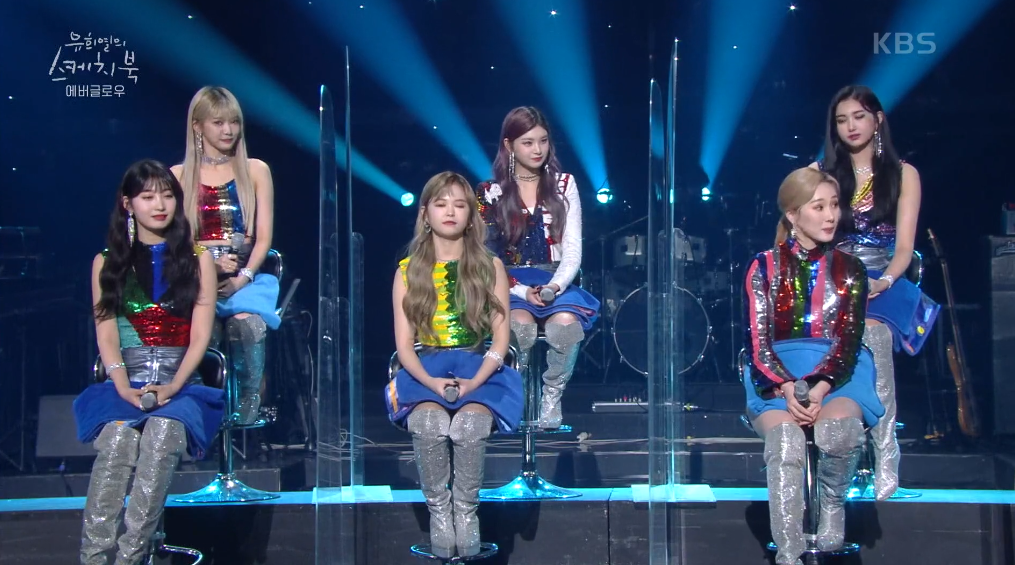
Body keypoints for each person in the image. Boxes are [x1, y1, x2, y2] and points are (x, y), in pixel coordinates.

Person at [74, 159, 224, 565]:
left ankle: (132, 557)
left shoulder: (198, 259)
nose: (159, 205)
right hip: (125, 382)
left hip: (182, 384)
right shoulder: (106, 262)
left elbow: (201, 335)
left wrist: (173, 385)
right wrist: (123, 385)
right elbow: (106, 333)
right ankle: (93, 557)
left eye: (167, 195)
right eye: (147, 196)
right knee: (118, 441)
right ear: (128, 204)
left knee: (162, 435)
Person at [743, 167, 885, 565]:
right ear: (793, 214)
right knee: (786, 442)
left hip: (839, 371)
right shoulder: (763, 266)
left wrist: (821, 386)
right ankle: (789, 550)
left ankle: (832, 507)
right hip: (776, 372)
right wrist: (787, 387)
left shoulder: (851, 269)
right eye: (818, 207)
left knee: (838, 433)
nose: (830, 216)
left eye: (834, 206)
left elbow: (849, 339)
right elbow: (757, 342)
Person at [385, 172, 523, 558]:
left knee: (468, 425)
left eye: (460, 204)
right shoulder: (407, 271)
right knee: (430, 423)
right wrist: (432, 384)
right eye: (441, 203)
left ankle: (466, 513)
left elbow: (500, 341)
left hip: (479, 369)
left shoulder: (490, 266)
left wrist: (473, 382)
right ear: (425, 213)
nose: (450, 211)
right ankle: (440, 515)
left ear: (471, 216)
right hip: (425, 371)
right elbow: (404, 347)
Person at [812, 85, 935, 501]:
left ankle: (886, 452)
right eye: (841, 119)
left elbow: (904, 248)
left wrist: (885, 281)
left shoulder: (903, 174)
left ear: (878, 119)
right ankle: (840, 450)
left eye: (859, 116)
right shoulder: (822, 173)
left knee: (876, 336)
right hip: (833, 277)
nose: (850, 126)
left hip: (884, 277)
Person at [476, 106, 600, 429]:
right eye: (528, 142)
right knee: (519, 325)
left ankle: (552, 397)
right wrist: (520, 290)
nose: (537, 149)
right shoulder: (490, 192)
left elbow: (572, 250)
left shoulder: (564, 184)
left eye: (543, 141)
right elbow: (487, 258)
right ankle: (516, 394)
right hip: (509, 282)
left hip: (554, 279)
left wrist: (554, 287)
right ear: (509, 145)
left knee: (566, 325)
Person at [171, 86, 279, 424]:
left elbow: (263, 238)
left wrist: (240, 279)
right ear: (198, 126)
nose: (228, 130)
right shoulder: (178, 176)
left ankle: (248, 404)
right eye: (218, 123)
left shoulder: (256, 170)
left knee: (247, 326)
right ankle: (202, 409)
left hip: (246, 279)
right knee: (204, 332)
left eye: (234, 122)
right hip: (196, 279)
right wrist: (208, 265)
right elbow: (176, 242)